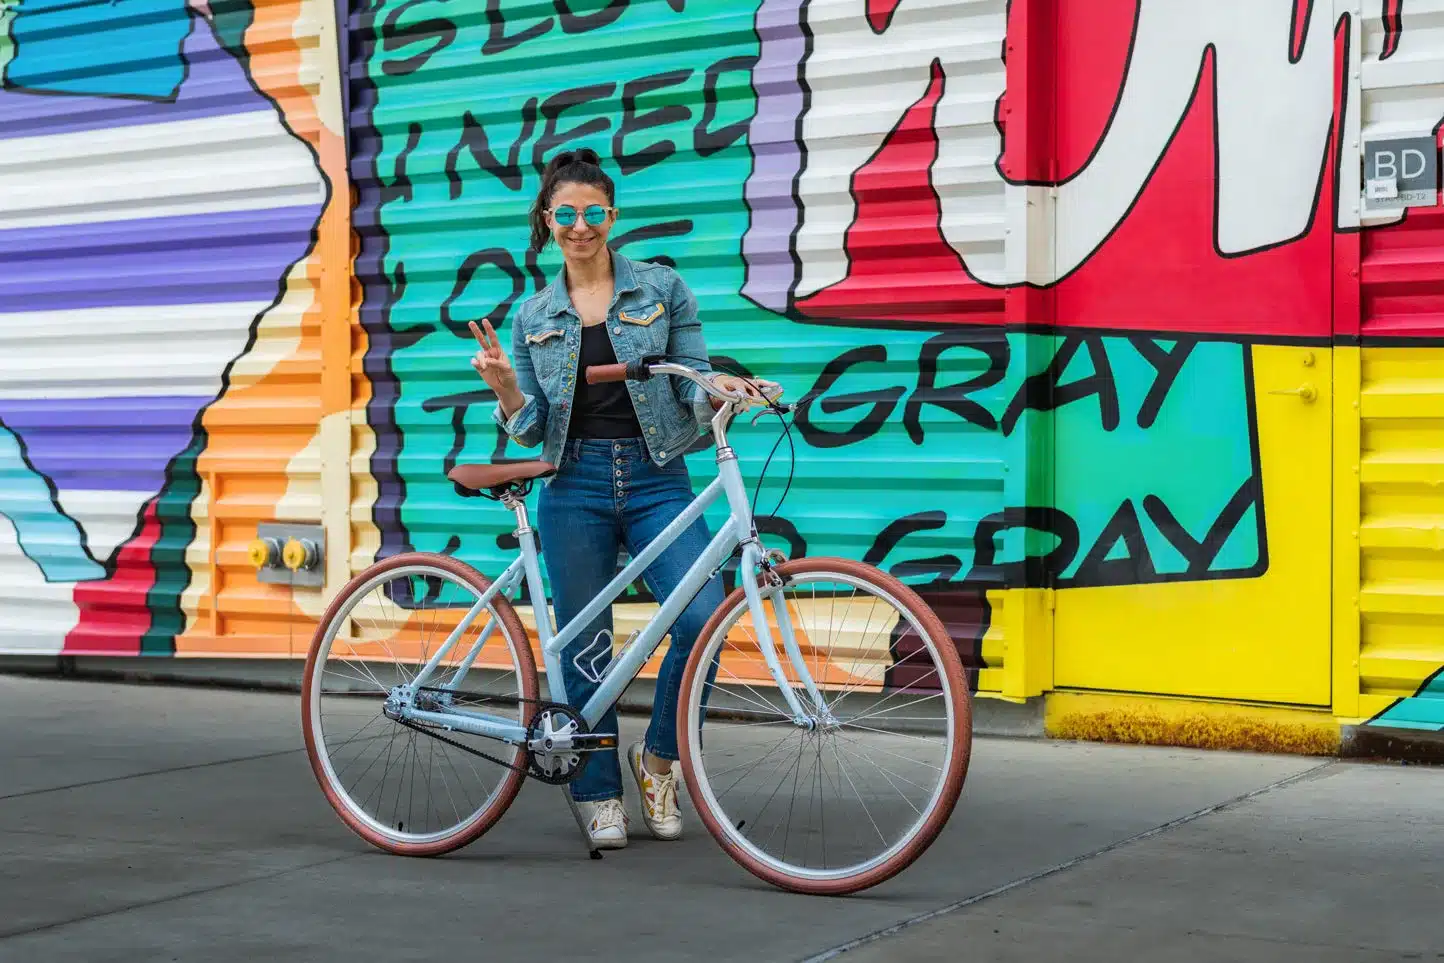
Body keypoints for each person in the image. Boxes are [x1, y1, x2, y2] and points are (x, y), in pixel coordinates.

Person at [468, 148, 772, 849]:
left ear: (613, 217)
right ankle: (597, 788)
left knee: (702, 616)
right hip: (572, 481)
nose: (581, 226)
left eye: (593, 212)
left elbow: (692, 378)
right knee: (585, 643)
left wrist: (726, 389)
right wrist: (504, 387)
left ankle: (659, 758)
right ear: (548, 220)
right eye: (566, 213)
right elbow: (533, 423)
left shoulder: (662, 290)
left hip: (657, 475)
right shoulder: (534, 313)